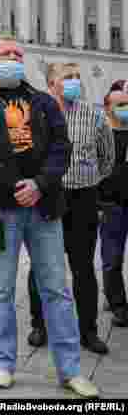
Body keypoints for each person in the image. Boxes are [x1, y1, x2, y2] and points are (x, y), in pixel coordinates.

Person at [0, 36, 96, 397]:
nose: (14, 58)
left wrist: (39, 183)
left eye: (18, 53)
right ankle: (1, 363)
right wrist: (15, 183)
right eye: (6, 53)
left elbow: (61, 148)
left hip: (43, 207)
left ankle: (70, 369)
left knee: (56, 290)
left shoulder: (44, 102)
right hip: (1, 208)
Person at [24, 63, 114, 355]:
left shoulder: (94, 115)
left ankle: (88, 330)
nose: (75, 82)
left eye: (77, 77)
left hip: (82, 199)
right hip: (47, 197)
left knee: (84, 267)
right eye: (67, 78)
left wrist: (88, 179)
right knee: (43, 264)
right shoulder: (36, 114)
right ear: (52, 84)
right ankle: (40, 324)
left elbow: (106, 158)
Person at [100, 80, 128, 328]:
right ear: (108, 108)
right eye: (121, 105)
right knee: (112, 259)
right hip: (111, 206)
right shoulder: (103, 134)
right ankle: (119, 306)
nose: (125, 108)